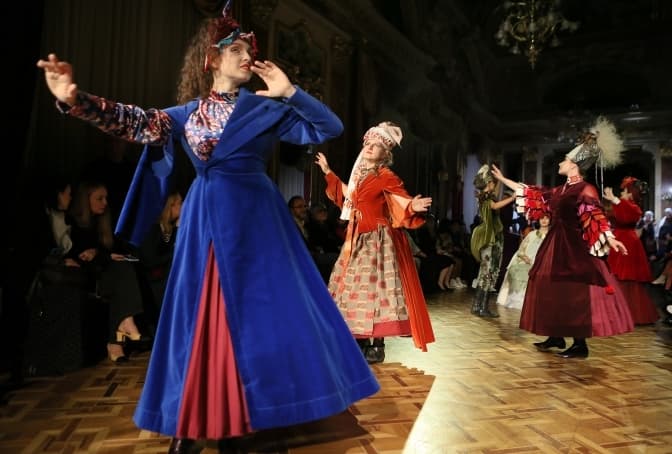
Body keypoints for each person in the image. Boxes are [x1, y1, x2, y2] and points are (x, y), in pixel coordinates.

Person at [37, 7, 379, 453]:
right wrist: (75, 99)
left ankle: (250, 414)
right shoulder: (187, 114)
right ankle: (196, 417)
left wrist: (291, 92)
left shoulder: (266, 107)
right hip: (207, 219)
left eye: (250, 50)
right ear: (212, 59)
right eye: (236, 49)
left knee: (258, 318)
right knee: (203, 319)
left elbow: (329, 127)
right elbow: (132, 121)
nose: (246, 56)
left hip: (257, 220)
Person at [491, 116, 634, 358]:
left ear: (574, 165)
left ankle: (580, 344)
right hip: (555, 244)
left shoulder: (585, 189)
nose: (560, 162)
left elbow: (594, 216)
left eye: (565, 160)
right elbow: (534, 194)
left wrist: (609, 238)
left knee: (573, 292)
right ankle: (556, 336)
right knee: (551, 288)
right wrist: (504, 180)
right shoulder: (561, 190)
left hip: (574, 248)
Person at [314, 121, 435, 364]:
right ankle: (358, 339)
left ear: (385, 154)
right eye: (368, 143)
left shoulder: (386, 176)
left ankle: (378, 345)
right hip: (357, 237)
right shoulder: (359, 175)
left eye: (377, 145)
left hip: (377, 240)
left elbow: (400, 199)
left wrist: (413, 205)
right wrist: (328, 172)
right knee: (352, 287)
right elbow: (348, 197)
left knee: (376, 289)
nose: (370, 147)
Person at [603, 178, 660, 324]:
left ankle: (629, 314)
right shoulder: (622, 205)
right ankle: (616, 312)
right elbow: (615, 215)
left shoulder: (634, 208)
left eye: (624, 191)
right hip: (619, 240)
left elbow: (626, 216)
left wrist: (615, 200)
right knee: (617, 276)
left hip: (628, 243)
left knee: (627, 278)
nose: (621, 193)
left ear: (630, 193)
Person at [469, 164, 516, 318]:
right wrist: (512, 198)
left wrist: (500, 180)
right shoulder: (485, 198)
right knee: (489, 272)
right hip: (489, 238)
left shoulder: (485, 196)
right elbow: (495, 206)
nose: (495, 186)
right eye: (493, 183)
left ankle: (478, 306)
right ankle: (482, 307)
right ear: (489, 183)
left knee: (486, 272)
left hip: (491, 236)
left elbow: (494, 201)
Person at [496, 213, 550, 310]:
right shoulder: (532, 234)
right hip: (527, 261)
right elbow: (521, 250)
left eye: (547, 218)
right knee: (516, 269)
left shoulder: (551, 237)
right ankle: (516, 300)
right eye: (542, 218)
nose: (544, 220)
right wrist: (525, 258)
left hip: (543, 263)